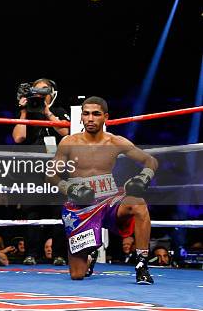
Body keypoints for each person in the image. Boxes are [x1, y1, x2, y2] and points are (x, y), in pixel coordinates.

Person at [49, 96, 158, 284]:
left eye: (96, 114)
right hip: (80, 206)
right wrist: (69, 188)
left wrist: (143, 177)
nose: (90, 118)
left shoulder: (115, 142)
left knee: (137, 204)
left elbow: (151, 161)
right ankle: (90, 255)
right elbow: (51, 175)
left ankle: (142, 264)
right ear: (81, 117)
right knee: (77, 275)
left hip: (109, 201)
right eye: (86, 114)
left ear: (105, 117)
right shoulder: (68, 142)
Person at [12, 78, 69, 266]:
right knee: (32, 213)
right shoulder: (27, 113)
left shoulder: (59, 111)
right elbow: (19, 138)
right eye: (37, 92)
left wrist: (47, 112)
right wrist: (23, 112)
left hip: (59, 171)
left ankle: (60, 254)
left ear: (52, 94)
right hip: (33, 172)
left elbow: (67, 134)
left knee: (59, 213)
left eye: (44, 92)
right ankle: (31, 254)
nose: (40, 96)